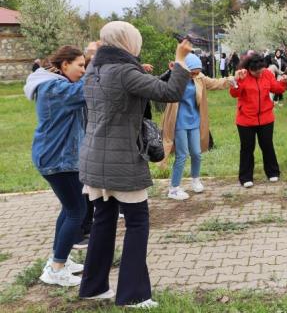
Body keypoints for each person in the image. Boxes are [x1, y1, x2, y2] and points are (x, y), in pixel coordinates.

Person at [78, 21, 191, 307]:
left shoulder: (94, 69)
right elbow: (170, 94)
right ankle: (133, 294)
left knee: (103, 222)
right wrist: (180, 61)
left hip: (94, 159)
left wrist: (167, 73)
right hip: (121, 160)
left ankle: (94, 287)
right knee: (137, 223)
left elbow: (146, 87)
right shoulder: (126, 70)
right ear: (128, 42)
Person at [24, 46, 89, 287]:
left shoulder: (56, 85)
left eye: (85, 65)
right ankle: (56, 269)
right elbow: (85, 92)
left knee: (69, 209)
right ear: (64, 66)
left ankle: (59, 259)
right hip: (58, 160)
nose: (83, 70)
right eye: (80, 65)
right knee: (77, 212)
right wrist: (102, 66)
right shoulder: (55, 88)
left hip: (60, 158)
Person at [159, 53, 232, 200]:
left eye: (198, 72)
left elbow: (215, 83)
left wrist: (230, 80)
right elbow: (159, 84)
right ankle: (173, 188)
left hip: (194, 121)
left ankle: (195, 179)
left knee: (197, 153)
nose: (196, 74)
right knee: (181, 155)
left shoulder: (199, 78)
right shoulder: (176, 78)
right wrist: (171, 71)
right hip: (178, 121)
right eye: (193, 72)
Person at [230, 53, 287, 187]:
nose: (258, 74)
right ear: (249, 69)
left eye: (260, 71)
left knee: (267, 145)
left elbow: (276, 88)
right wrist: (238, 81)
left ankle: (273, 172)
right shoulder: (242, 75)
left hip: (266, 118)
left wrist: (284, 81)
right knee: (247, 148)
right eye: (255, 72)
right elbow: (234, 94)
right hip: (246, 120)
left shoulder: (267, 74)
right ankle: (245, 177)